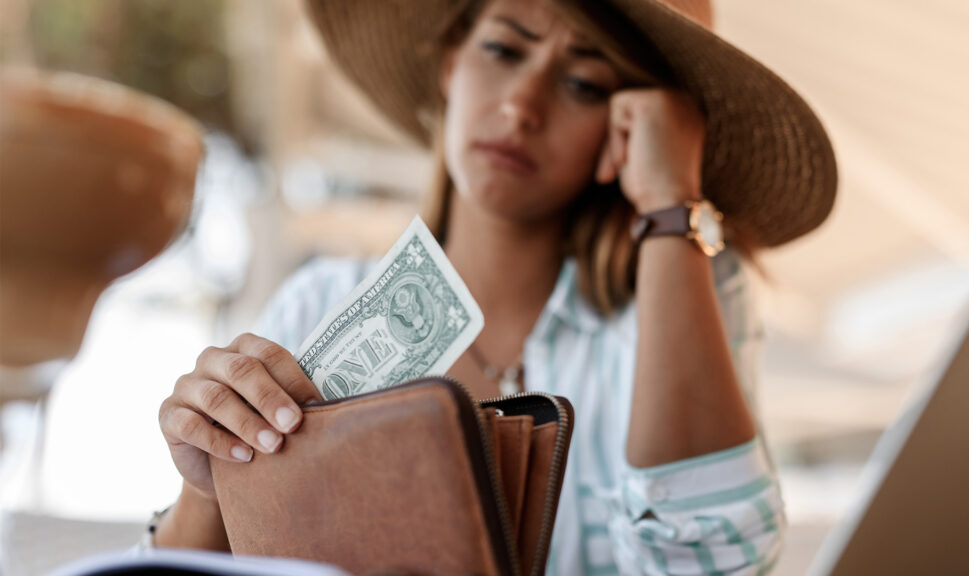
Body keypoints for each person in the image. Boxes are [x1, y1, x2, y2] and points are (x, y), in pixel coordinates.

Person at [150, 0, 837, 573]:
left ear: (631, 129)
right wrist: (211, 485)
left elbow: (715, 559)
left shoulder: (682, 291)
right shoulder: (312, 306)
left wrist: (669, 205)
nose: (520, 109)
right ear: (451, 64)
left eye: (585, 85)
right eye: (505, 50)